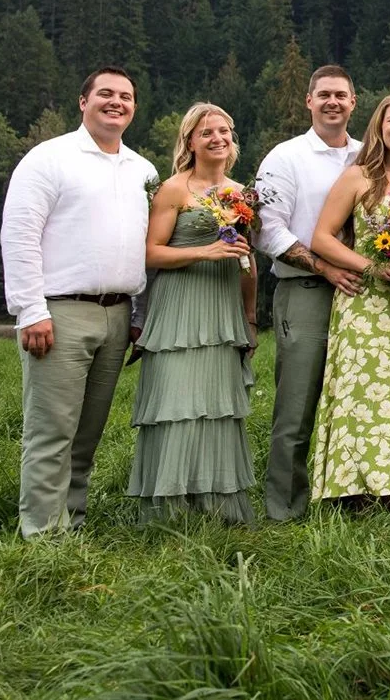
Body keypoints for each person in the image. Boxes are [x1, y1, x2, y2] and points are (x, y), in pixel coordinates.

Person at [0, 66, 160, 537]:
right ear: (82, 102)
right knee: (52, 431)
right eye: (105, 94)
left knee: (87, 434)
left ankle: (73, 523)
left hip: (117, 313)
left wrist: (139, 315)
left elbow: (144, 246)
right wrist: (31, 310)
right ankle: (42, 537)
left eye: (126, 96)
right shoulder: (48, 159)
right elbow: (20, 234)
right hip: (59, 311)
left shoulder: (143, 171)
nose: (117, 102)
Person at [307, 93, 390, 506]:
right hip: (364, 302)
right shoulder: (359, 176)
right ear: (379, 128)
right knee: (359, 391)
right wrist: (370, 266)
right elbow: (322, 238)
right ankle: (350, 489)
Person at [127, 103, 258, 523]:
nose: (217, 138)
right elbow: (149, 252)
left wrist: (250, 317)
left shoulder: (241, 195)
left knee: (217, 407)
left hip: (222, 314)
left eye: (224, 131)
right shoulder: (174, 189)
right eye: (207, 133)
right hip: (179, 309)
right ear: (190, 142)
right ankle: (168, 512)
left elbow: (246, 262)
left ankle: (216, 509)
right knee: (176, 405)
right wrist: (206, 250)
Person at [253, 65, 364, 521]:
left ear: (354, 102)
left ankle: (350, 499)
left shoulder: (368, 155)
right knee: (297, 404)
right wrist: (324, 267)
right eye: (324, 95)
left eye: (341, 95)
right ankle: (286, 507)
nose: (333, 102)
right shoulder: (286, 157)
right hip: (306, 291)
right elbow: (267, 230)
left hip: (363, 293)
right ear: (309, 101)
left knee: (358, 401)